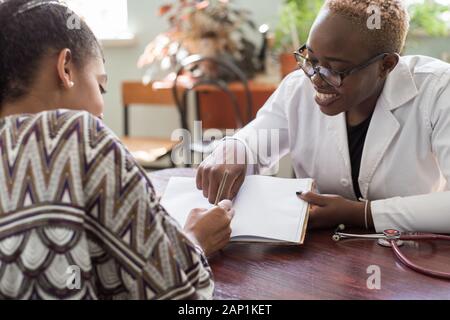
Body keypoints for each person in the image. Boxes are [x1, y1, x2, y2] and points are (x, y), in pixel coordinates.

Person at [0, 0, 233, 300]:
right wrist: (194, 240)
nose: (101, 111)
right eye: (101, 86)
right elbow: (178, 296)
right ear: (66, 68)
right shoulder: (78, 133)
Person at [197, 0, 450, 233]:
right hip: (321, 259)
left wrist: (360, 214)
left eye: (336, 70)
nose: (316, 79)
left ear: (386, 65)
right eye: (311, 59)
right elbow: (258, 139)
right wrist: (234, 148)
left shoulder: (438, 90)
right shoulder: (298, 87)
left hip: (412, 257)